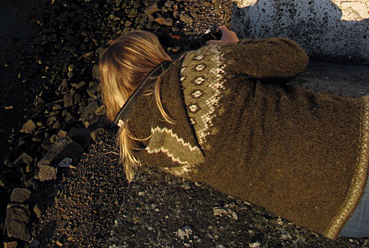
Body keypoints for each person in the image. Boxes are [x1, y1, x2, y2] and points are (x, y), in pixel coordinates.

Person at [98, 26, 369, 239]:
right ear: (155, 56)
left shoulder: (143, 149)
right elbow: (293, 57)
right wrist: (235, 47)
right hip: (358, 143)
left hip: (344, 219)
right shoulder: (196, 67)